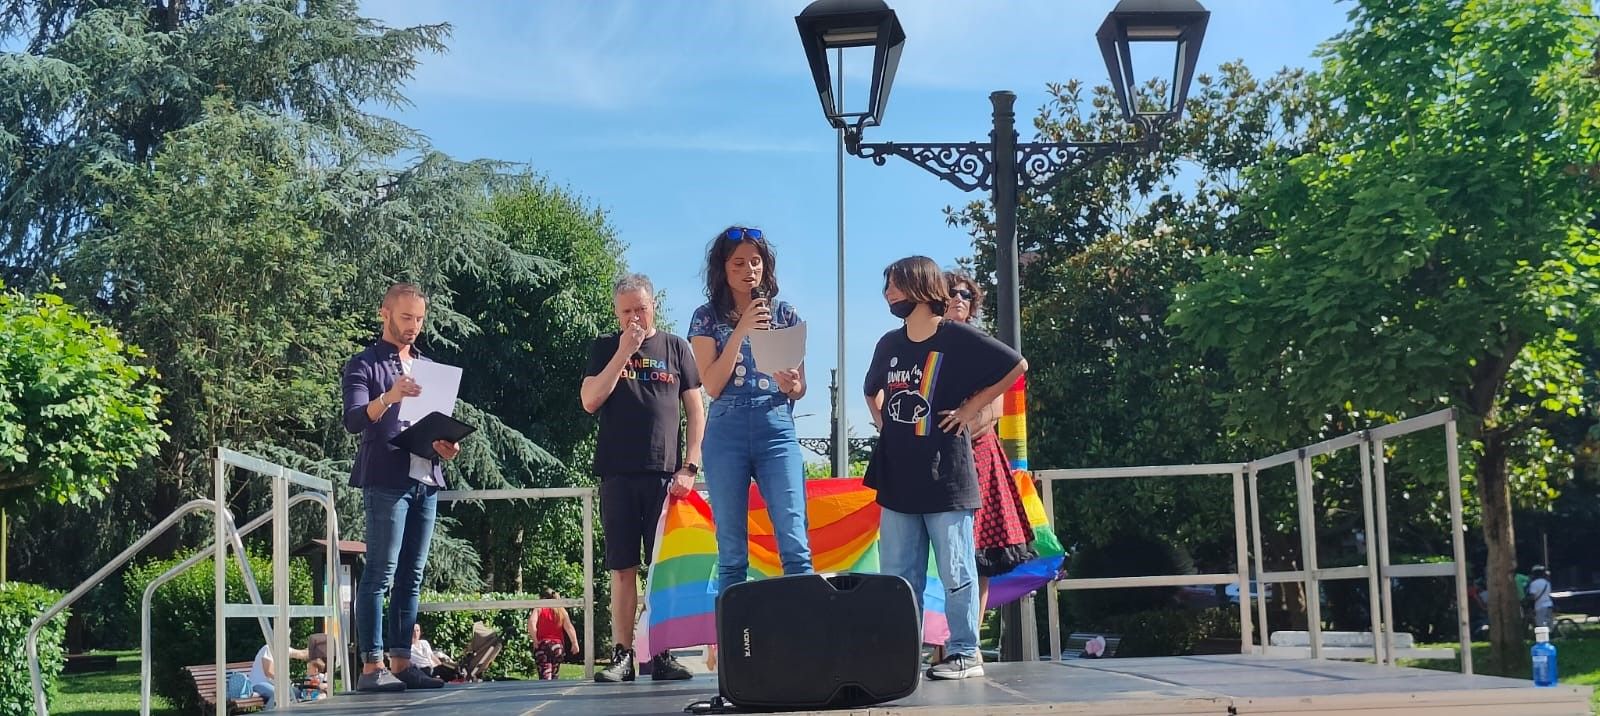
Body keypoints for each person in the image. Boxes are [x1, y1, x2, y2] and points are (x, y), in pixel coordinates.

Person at [864, 256, 1028, 681]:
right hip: (897, 476)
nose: (888, 295)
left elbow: (1016, 366)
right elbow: (871, 391)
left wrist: (970, 408)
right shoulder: (888, 344)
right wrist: (886, 426)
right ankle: (903, 655)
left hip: (947, 474)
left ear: (921, 287)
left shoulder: (955, 337)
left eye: (895, 286)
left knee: (956, 569)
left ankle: (964, 651)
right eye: (887, 288)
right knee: (900, 574)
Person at [582, 273, 704, 683]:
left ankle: (662, 653)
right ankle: (622, 654)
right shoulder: (604, 348)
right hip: (617, 472)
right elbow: (589, 400)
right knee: (622, 567)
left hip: (666, 476)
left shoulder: (676, 347)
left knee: (663, 569)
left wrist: (690, 465)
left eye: (642, 308)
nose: (635, 316)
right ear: (617, 313)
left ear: (654, 305)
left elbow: (695, 410)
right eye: (627, 310)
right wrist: (623, 353)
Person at [341, 282, 461, 692]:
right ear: (385, 314)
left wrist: (447, 445)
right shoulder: (365, 364)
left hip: (425, 478)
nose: (414, 326)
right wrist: (390, 395)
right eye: (406, 317)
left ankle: (402, 662)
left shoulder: (428, 366)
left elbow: (434, 421)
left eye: (420, 319)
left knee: (412, 575)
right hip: (386, 480)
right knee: (380, 573)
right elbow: (355, 419)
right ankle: (372, 667)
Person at [687, 226, 814, 603]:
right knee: (731, 550)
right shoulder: (706, 316)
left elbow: (800, 387)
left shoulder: (785, 312)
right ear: (723, 269)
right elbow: (710, 384)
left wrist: (791, 384)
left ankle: (807, 641)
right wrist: (741, 330)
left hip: (776, 424)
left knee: (794, 539)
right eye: (739, 263)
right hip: (726, 429)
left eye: (755, 262)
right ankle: (735, 647)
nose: (749, 271)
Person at [945, 271, 1037, 611]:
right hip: (933, 459)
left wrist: (959, 427)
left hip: (978, 457)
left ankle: (969, 645)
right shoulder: (924, 343)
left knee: (978, 555)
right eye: (951, 293)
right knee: (941, 557)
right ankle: (937, 647)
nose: (958, 299)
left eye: (965, 295)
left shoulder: (982, 346)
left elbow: (994, 409)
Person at [527, 588, 581, 680]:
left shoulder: (539, 608)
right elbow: (569, 627)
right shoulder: (560, 609)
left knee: (545, 672)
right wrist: (574, 642)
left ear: (541, 598)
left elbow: (531, 623)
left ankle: (546, 691)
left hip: (543, 644)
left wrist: (535, 640)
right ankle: (554, 689)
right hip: (557, 645)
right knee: (555, 673)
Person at [247, 642, 309, 708]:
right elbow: (269, 672)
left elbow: (301, 654)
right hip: (259, 683)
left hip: (273, 684)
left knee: (296, 692)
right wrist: (285, 681)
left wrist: (313, 651)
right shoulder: (269, 648)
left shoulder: (284, 649)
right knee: (277, 695)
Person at [1528, 565, 1555, 630]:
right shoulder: (1547, 583)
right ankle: (1552, 636)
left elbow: (1532, 597)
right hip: (1549, 605)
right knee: (1549, 624)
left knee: (1540, 625)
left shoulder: (1534, 583)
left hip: (1540, 607)